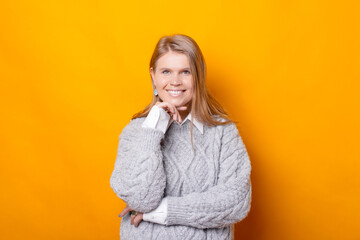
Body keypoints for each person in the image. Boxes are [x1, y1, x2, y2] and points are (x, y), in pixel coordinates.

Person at [110, 34, 252, 240]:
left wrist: (161, 212)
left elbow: (235, 202)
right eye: (166, 71)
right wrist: (153, 129)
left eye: (185, 72)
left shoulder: (223, 132)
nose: (175, 82)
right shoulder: (136, 131)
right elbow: (141, 199)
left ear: (199, 75)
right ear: (153, 76)